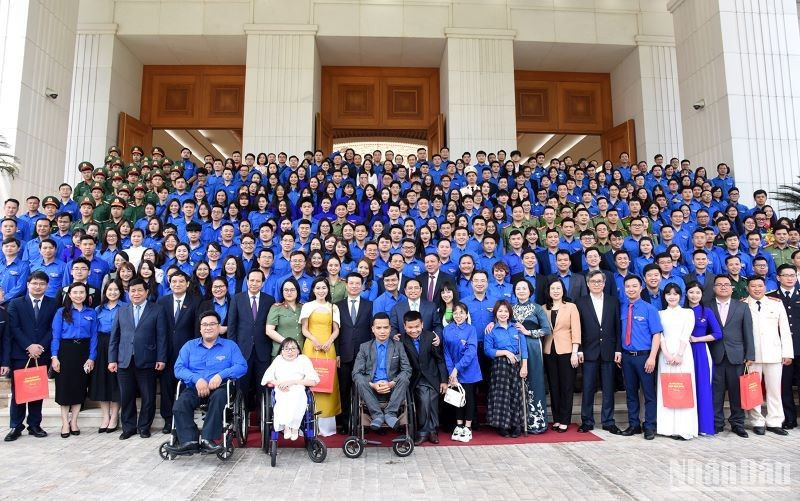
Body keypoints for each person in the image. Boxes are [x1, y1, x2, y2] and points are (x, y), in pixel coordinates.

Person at [166, 310, 247, 455]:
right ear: (200, 328)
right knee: (179, 405)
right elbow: (178, 368)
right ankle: (189, 441)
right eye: (204, 325)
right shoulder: (189, 346)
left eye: (212, 324)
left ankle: (207, 440)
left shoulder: (230, 346)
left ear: (218, 327)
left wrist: (220, 375)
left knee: (218, 399)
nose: (208, 327)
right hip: (195, 387)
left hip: (221, 388)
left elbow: (241, 366)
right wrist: (196, 379)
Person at [108, 278, 168, 440]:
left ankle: (144, 427)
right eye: (132, 290)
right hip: (124, 360)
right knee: (126, 396)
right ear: (128, 293)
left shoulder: (157, 309)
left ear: (147, 292)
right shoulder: (121, 311)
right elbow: (115, 337)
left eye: (140, 290)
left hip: (147, 359)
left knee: (148, 396)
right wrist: (112, 360)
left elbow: (161, 336)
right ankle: (128, 427)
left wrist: (161, 358)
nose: (136, 293)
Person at [1, 271, 58, 441]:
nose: (38, 286)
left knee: (36, 390)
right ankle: (15, 426)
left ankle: (34, 424)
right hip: (21, 353)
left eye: (41, 283)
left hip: (41, 353)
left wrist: (40, 347)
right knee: (18, 392)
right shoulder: (16, 303)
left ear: (46, 286)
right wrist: (29, 345)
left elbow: (52, 328)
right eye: (34, 283)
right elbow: (14, 328)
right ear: (28, 284)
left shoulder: (53, 303)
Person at [743, 276, 794, 435]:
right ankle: (757, 421)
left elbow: (785, 330)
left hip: (774, 353)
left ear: (765, 287)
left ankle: (775, 420)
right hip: (752, 355)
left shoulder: (776, 303)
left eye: (760, 286)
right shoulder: (742, 304)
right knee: (753, 389)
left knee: (774, 390)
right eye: (753, 286)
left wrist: (787, 353)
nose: (757, 289)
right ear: (747, 288)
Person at [575, 270, 622, 435]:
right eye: (593, 281)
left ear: (604, 283)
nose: (596, 284)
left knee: (609, 389)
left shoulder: (613, 301)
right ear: (588, 284)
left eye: (599, 281)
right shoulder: (580, 302)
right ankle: (587, 421)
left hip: (609, 351)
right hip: (588, 351)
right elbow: (577, 328)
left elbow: (618, 327)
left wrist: (618, 349)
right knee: (588, 388)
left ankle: (608, 422)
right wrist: (579, 349)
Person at [708, 274, 754, 438]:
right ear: (714, 288)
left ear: (732, 287)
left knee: (737, 392)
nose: (723, 287)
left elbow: (748, 332)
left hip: (737, 355)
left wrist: (750, 354)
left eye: (726, 284)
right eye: (719, 285)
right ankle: (716, 422)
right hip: (715, 355)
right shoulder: (708, 306)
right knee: (716, 392)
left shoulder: (742, 307)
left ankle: (737, 423)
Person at [50, 282, 98, 438]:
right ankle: (65, 423)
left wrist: (91, 357)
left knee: (79, 387)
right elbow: (55, 336)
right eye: (75, 292)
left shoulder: (92, 312)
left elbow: (94, 337)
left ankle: (74, 421)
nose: (78, 295)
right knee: (64, 388)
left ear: (86, 295)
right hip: (65, 351)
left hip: (83, 352)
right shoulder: (61, 312)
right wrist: (54, 356)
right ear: (69, 295)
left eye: (82, 292)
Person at [155, 270, 200, 433]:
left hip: (187, 352)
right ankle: (168, 420)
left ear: (187, 284)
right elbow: (158, 329)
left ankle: (182, 419)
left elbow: (197, 330)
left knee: (184, 387)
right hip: (166, 352)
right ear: (170, 283)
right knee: (166, 387)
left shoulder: (195, 302)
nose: (177, 284)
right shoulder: (162, 302)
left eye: (181, 281)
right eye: (174, 281)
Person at [352, 313, 412, 431]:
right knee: (358, 378)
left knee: (404, 378)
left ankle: (390, 413)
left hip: (393, 389)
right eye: (379, 328)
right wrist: (373, 385)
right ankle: (377, 415)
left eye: (385, 327)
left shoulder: (398, 346)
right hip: (370, 389)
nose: (382, 331)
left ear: (390, 328)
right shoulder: (365, 347)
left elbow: (407, 369)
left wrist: (392, 383)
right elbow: (356, 372)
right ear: (373, 329)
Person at [620, 275, 663, 440]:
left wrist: (652, 357)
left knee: (648, 393)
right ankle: (634, 424)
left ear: (641, 288)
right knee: (631, 392)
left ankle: (650, 425)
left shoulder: (649, 309)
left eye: (634, 286)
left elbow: (657, 335)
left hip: (644, 357)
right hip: (627, 357)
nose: (631, 289)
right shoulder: (623, 308)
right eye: (628, 286)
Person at [227, 269, 275, 411]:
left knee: (262, 387)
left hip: (263, 351)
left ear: (262, 283)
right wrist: (233, 350)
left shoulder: (269, 300)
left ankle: (264, 417)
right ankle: (242, 416)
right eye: (251, 280)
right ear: (247, 281)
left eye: (258, 281)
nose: (254, 283)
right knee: (243, 386)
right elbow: (232, 326)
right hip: (242, 351)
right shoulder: (237, 298)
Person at [508, 279, 551, 434]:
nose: (521, 291)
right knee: (517, 383)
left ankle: (536, 421)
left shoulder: (537, 308)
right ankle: (519, 421)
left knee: (534, 380)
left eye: (524, 288)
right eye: (518, 288)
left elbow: (547, 329)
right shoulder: (511, 308)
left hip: (532, 346)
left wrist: (528, 332)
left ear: (530, 290)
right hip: (514, 347)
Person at [656, 283, 698, 440]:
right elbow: (660, 335)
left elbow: (685, 334)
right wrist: (666, 354)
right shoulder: (660, 313)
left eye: (675, 294)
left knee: (683, 387)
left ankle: (684, 428)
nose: (672, 297)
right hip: (665, 356)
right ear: (664, 296)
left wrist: (679, 354)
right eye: (668, 294)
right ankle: (667, 428)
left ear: (681, 296)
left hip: (683, 355)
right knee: (667, 388)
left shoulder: (688, 313)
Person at [300, 276, 341, 436]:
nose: (321, 291)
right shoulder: (307, 306)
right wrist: (315, 340)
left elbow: (336, 329)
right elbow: (304, 329)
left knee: (327, 384)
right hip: (311, 347)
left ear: (328, 290)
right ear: (313, 290)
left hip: (328, 348)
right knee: (311, 384)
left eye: (324, 288)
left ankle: (326, 427)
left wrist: (329, 341)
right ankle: (310, 424)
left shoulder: (334, 308)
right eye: (318, 288)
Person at [400, 310, 447, 445]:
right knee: (423, 399)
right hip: (415, 379)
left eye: (417, 327)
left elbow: (440, 360)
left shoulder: (430, 337)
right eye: (410, 327)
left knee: (431, 400)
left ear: (422, 324)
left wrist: (444, 380)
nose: (414, 330)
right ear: (404, 326)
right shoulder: (402, 340)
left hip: (432, 376)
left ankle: (430, 431)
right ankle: (425, 431)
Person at [333, 273, 373, 432]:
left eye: (358, 283)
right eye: (351, 283)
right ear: (346, 285)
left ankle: (366, 422)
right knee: (344, 389)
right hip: (344, 354)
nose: (355, 286)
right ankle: (345, 424)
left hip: (364, 355)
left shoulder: (369, 305)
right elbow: (335, 331)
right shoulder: (337, 305)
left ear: (362, 286)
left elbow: (372, 330)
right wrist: (336, 353)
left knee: (366, 389)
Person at [542, 278, 581, 433]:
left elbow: (576, 330)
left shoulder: (571, 307)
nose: (556, 291)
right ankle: (557, 418)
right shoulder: (543, 308)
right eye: (553, 288)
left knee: (566, 386)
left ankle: (565, 419)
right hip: (549, 350)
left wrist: (575, 352)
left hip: (566, 351)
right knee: (554, 386)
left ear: (563, 290)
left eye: (558, 288)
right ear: (548, 291)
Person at [261, 337, 319, 440]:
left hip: (298, 387)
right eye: (286, 349)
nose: (290, 351)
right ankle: (287, 427)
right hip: (281, 388)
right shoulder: (278, 360)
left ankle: (295, 427)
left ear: (298, 350)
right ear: (282, 351)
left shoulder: (303, 359)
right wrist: (279, 384)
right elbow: (267, 378)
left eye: (293, 348)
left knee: (297, 395)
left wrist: (293, 382)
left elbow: (313, 381)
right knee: (283, 398)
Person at [485, 300, 528, 437]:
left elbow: (524, 349)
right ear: (495, 313)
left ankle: (516, 424)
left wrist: (524, 366)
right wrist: (505, 352)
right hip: (500, 366)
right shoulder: (491, 330)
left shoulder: (516, 328)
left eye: (505, 311)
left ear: (509, 313)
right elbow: (488, 350)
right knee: (502, 396)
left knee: (516, 394)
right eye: (500, 311)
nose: (503, 314)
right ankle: (503, 425)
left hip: (516, 364)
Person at [685, 281, 723, 436]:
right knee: (686, 387)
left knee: (703, 388)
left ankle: (704, 426)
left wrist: (698, 339)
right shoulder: (681, 311)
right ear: (686, 293)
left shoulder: (706, 311)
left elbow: (718, 334)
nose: (694, 295)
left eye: (697, 293)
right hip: (684, 352)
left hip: (701, 351)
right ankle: (687, 425)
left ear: (702, 295)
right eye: (691, 292)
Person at [767, 264, 800, 429]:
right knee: (784, 386)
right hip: (780, 349)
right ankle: (789, 419)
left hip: (799, 348)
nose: (790, 278)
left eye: (792, 275)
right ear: (778, 277)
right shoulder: (770, 297)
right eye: (786, 275)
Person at [442, 302, 481, 442]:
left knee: (469, 398)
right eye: (456, 313)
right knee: (457, 398)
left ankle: (468, 427)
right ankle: (459, 425)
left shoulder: (471, 330)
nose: (458, 315)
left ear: (466, 315)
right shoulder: (447, 330)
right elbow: (446, 352)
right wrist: (451, 371)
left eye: (461, 313)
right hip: (453, 370)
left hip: (469, 369)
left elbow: (471, 352)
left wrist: (457, 369)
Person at [89, 280, 123, 433]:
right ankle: (105, 417)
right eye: (110, 289)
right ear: (105, 292)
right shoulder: (98, 309)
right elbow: (94, 332)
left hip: (119, 344)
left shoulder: (125, 307)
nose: (113, 292)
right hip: (102, 345)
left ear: (121, 291)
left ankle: (115, 416)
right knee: (102, 381)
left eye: (116, 289)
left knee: (115, 383)